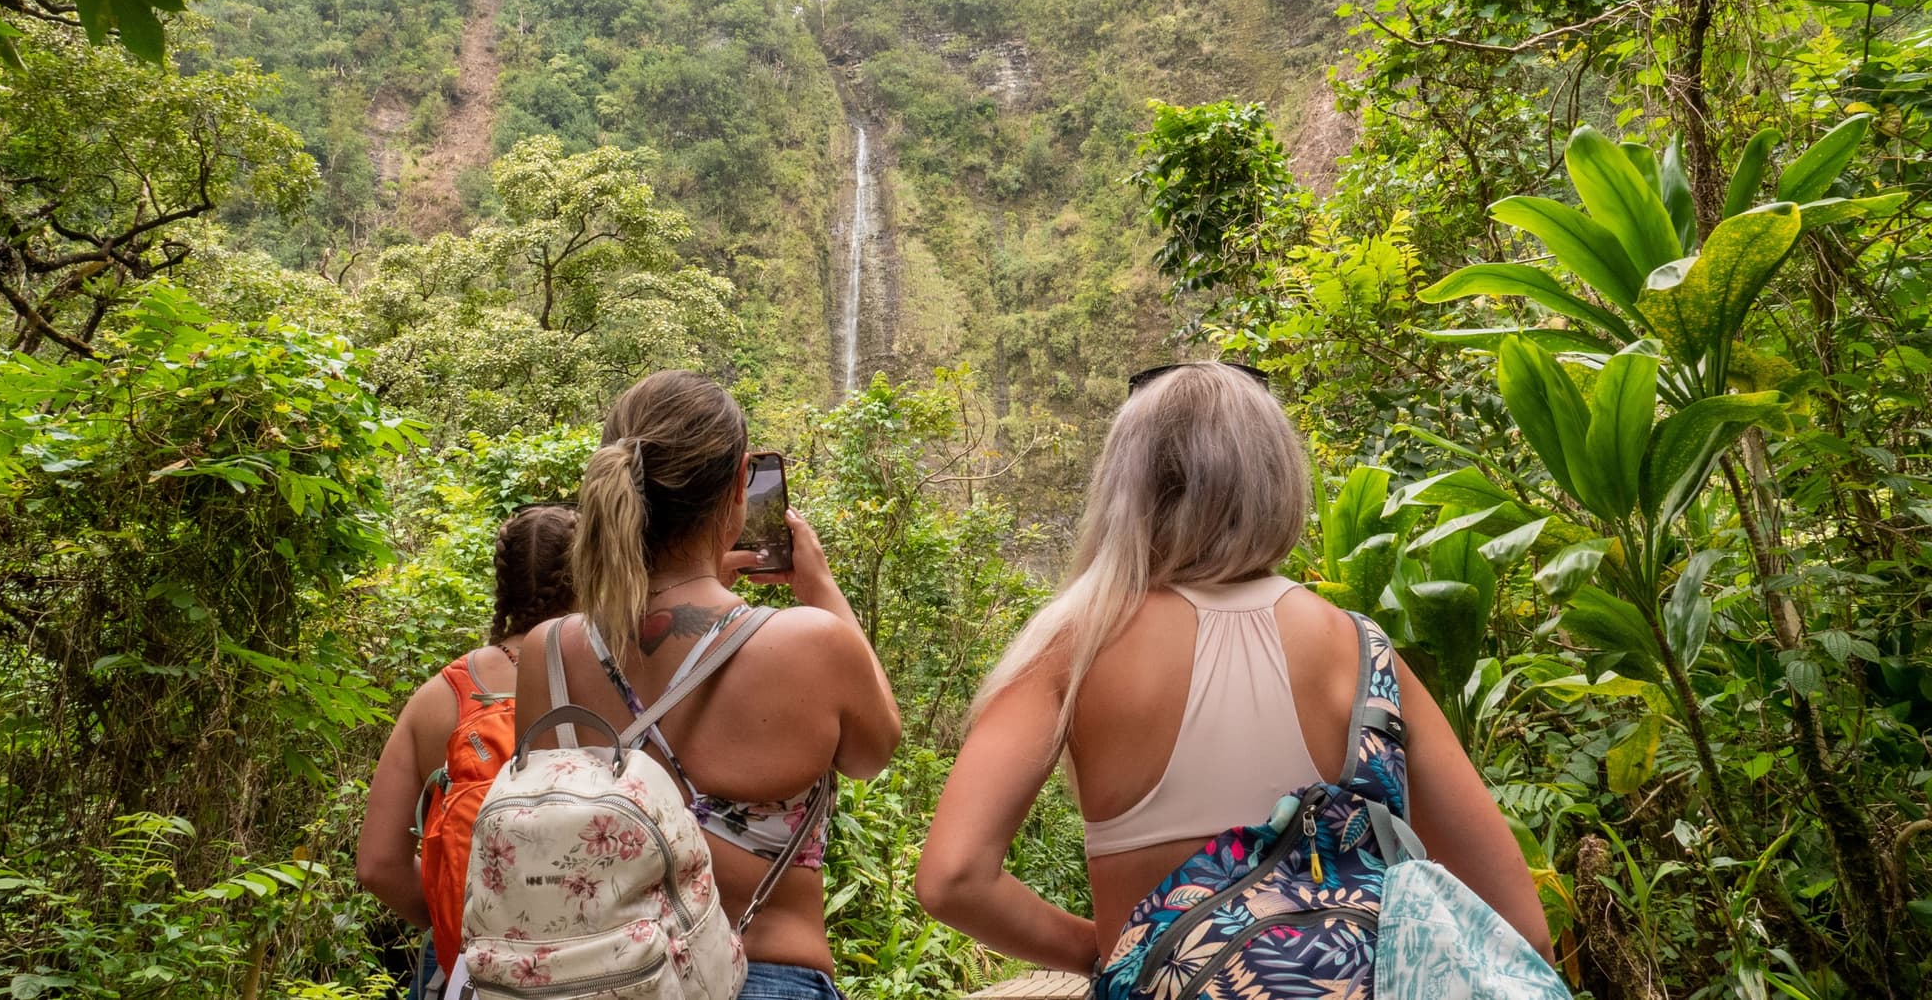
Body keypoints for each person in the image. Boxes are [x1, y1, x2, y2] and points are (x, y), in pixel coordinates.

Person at [915, 361, 1552, 979]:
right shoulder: (1363, 652)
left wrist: (1108, 953)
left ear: (1124, 488)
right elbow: (1522, 931)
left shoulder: (1076, 644)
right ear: (1277, 478)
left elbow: (954, 877)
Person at [516, 370, 901, 1000]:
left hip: (605, 985)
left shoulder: (550, 651)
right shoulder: (808, 642)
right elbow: (875, 750)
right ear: (738, 486)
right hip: (768, 974)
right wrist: (821, 588)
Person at [358, 504, 578, 1000]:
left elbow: (377, 865)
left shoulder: (441, 696)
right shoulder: (614, 690)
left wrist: (453, 916)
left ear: (502, 584)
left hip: (465, 967)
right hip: (593, 960)